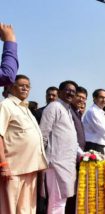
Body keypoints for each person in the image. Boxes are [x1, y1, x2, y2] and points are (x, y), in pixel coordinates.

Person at [0, 75, 47, 214]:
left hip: (30, 168)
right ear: (11, 87)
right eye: (21, 85)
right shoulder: (6, 105)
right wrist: (3, 164)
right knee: (9, 208)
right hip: (13, 170)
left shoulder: (25, 108)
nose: (25, 88)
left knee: (27, 209)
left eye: (28, 86)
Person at [39, 80, 81, 214]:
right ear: (60, 91)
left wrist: (83, 155)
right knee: (56, 203)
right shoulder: (54, 107)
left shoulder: (67, 110)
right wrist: (41, 161)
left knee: (61, 202)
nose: (70, 93)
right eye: (68, 90)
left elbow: (72, 141)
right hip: (55, 163)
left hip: (67, 164)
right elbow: (43, 135)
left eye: (73, 92)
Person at [65, 86, 87, 214]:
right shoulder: (69, 112)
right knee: (69, 193)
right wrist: (81, 154)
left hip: (78, 157)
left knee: (75, 192)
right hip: (71, 157)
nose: (81, 100)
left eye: (84, 98)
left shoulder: (78, 113)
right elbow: (71, 138)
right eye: (79, 96)